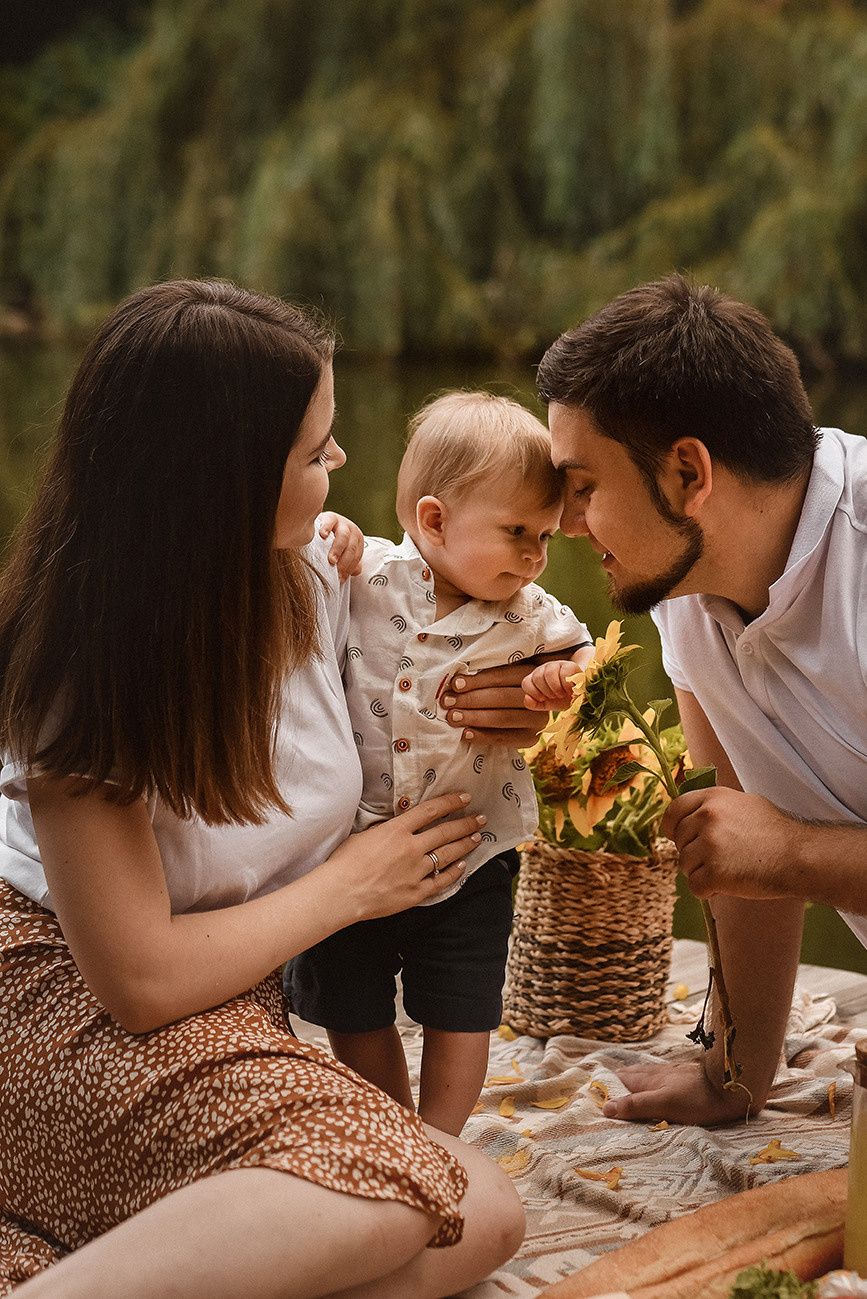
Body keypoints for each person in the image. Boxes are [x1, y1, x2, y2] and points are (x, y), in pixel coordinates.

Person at [0, 279, 526, 1298]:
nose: (339, 463)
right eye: (314, 449)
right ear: (226, 476)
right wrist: (355, 887)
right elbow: (140, 983)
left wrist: (506, 701)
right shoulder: (88, 666)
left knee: (479, 1214)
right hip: (55, 1005)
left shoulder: (305, 579)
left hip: (224, 1012)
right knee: (418, 1195)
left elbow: (445, 634)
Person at [532, 271, 867, 1127]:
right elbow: (736, 855)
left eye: (582, 484)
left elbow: (769, 851)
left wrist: (791, 851)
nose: (564, 523)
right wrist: (732, 1074)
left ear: (687, 472)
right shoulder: (685, 589)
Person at [285, 391, 593, 1136]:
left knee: (463, 1008)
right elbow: (319, 552)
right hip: (350, 849)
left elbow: (585, 654)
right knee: (351, 1006)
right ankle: (393, 1130)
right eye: (516, 531)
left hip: (468, 852)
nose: (533, 555)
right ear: (433, 520)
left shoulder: (529, 611)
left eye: (545, 537)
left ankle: (440, 1139)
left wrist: (566, 680)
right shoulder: (370, 576)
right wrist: (334, 530)